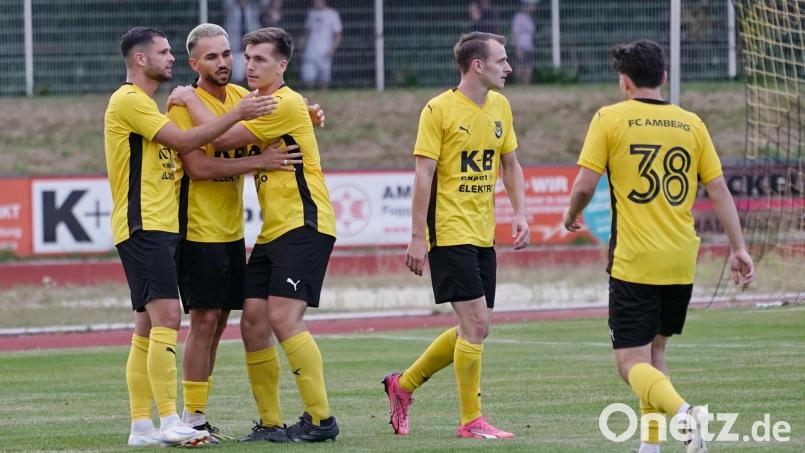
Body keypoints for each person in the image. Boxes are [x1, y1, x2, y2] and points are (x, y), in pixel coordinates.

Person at [562, 40, 754, 453]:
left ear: (624, 82)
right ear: (664, 77)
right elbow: (718, 188)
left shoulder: (610, 118)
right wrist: (738, 248)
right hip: (681, 258)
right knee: (654, 352)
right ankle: (651, 445)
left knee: (629, 363)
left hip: (635, 259)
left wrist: (570, 213)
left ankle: (685, 413)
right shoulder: (691, 123)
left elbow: (584, 185)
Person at [104, 26, 275, 447]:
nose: (171, 59)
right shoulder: (129, 100)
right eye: (164, 52)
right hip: (144, 225)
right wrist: (237, 119)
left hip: (163, 228)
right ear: (140, 59)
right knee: (168, 318)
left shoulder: (147, 104)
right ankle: (170, 420)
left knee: (146, 327)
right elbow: (185, 145)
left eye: (227, 54)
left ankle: (141, 427)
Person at [172, 26, 339, 443]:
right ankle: (269, 423)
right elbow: (210, 152)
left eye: (258, 59)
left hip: (303, 222)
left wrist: (188, 97)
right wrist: (307, 115)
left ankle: (321, 420)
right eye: (246, 57)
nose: (247, 65)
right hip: (269, 231)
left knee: (281, 317)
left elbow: (224, 138)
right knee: (252, 322)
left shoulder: (277, 102)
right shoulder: (254, 102)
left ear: (282, 65)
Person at [382, 31, 529, 439]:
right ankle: (470, 421)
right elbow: (423, 175)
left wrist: (520, 212)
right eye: (501, 60)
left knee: (475, 327)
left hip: (483, 233)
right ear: (477, 65)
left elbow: (510, 164)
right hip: (448, 232)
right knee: (476, 323)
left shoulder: (500, 106)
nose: (509, 67)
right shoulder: (438, 110)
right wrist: (417, 236)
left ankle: (402, 385)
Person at [301, 0, 342, 90]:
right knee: (308, 77)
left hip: (325, 50)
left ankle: (323, 94)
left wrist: (332, 48)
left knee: (324, 77)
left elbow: (338, 34)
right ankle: (310, 94)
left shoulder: (332, 14)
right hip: (310, 50)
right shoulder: (311, 13)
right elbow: (307, 32)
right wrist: (302, 45)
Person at [224, 0, 265, 83]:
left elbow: (264, 3)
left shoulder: (254, 7)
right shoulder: (231, 7)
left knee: (255, 74)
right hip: (236, 47)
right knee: (237, 76)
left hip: (252, 45)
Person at [511, 0, 536, 84]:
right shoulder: (518, 17)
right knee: (520, 67)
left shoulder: (529, 18)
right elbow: (514, 34)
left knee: (528, 67)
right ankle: (519, 84)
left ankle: (526, 84)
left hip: (529, 47)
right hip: (521, 47)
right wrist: (517, 48)